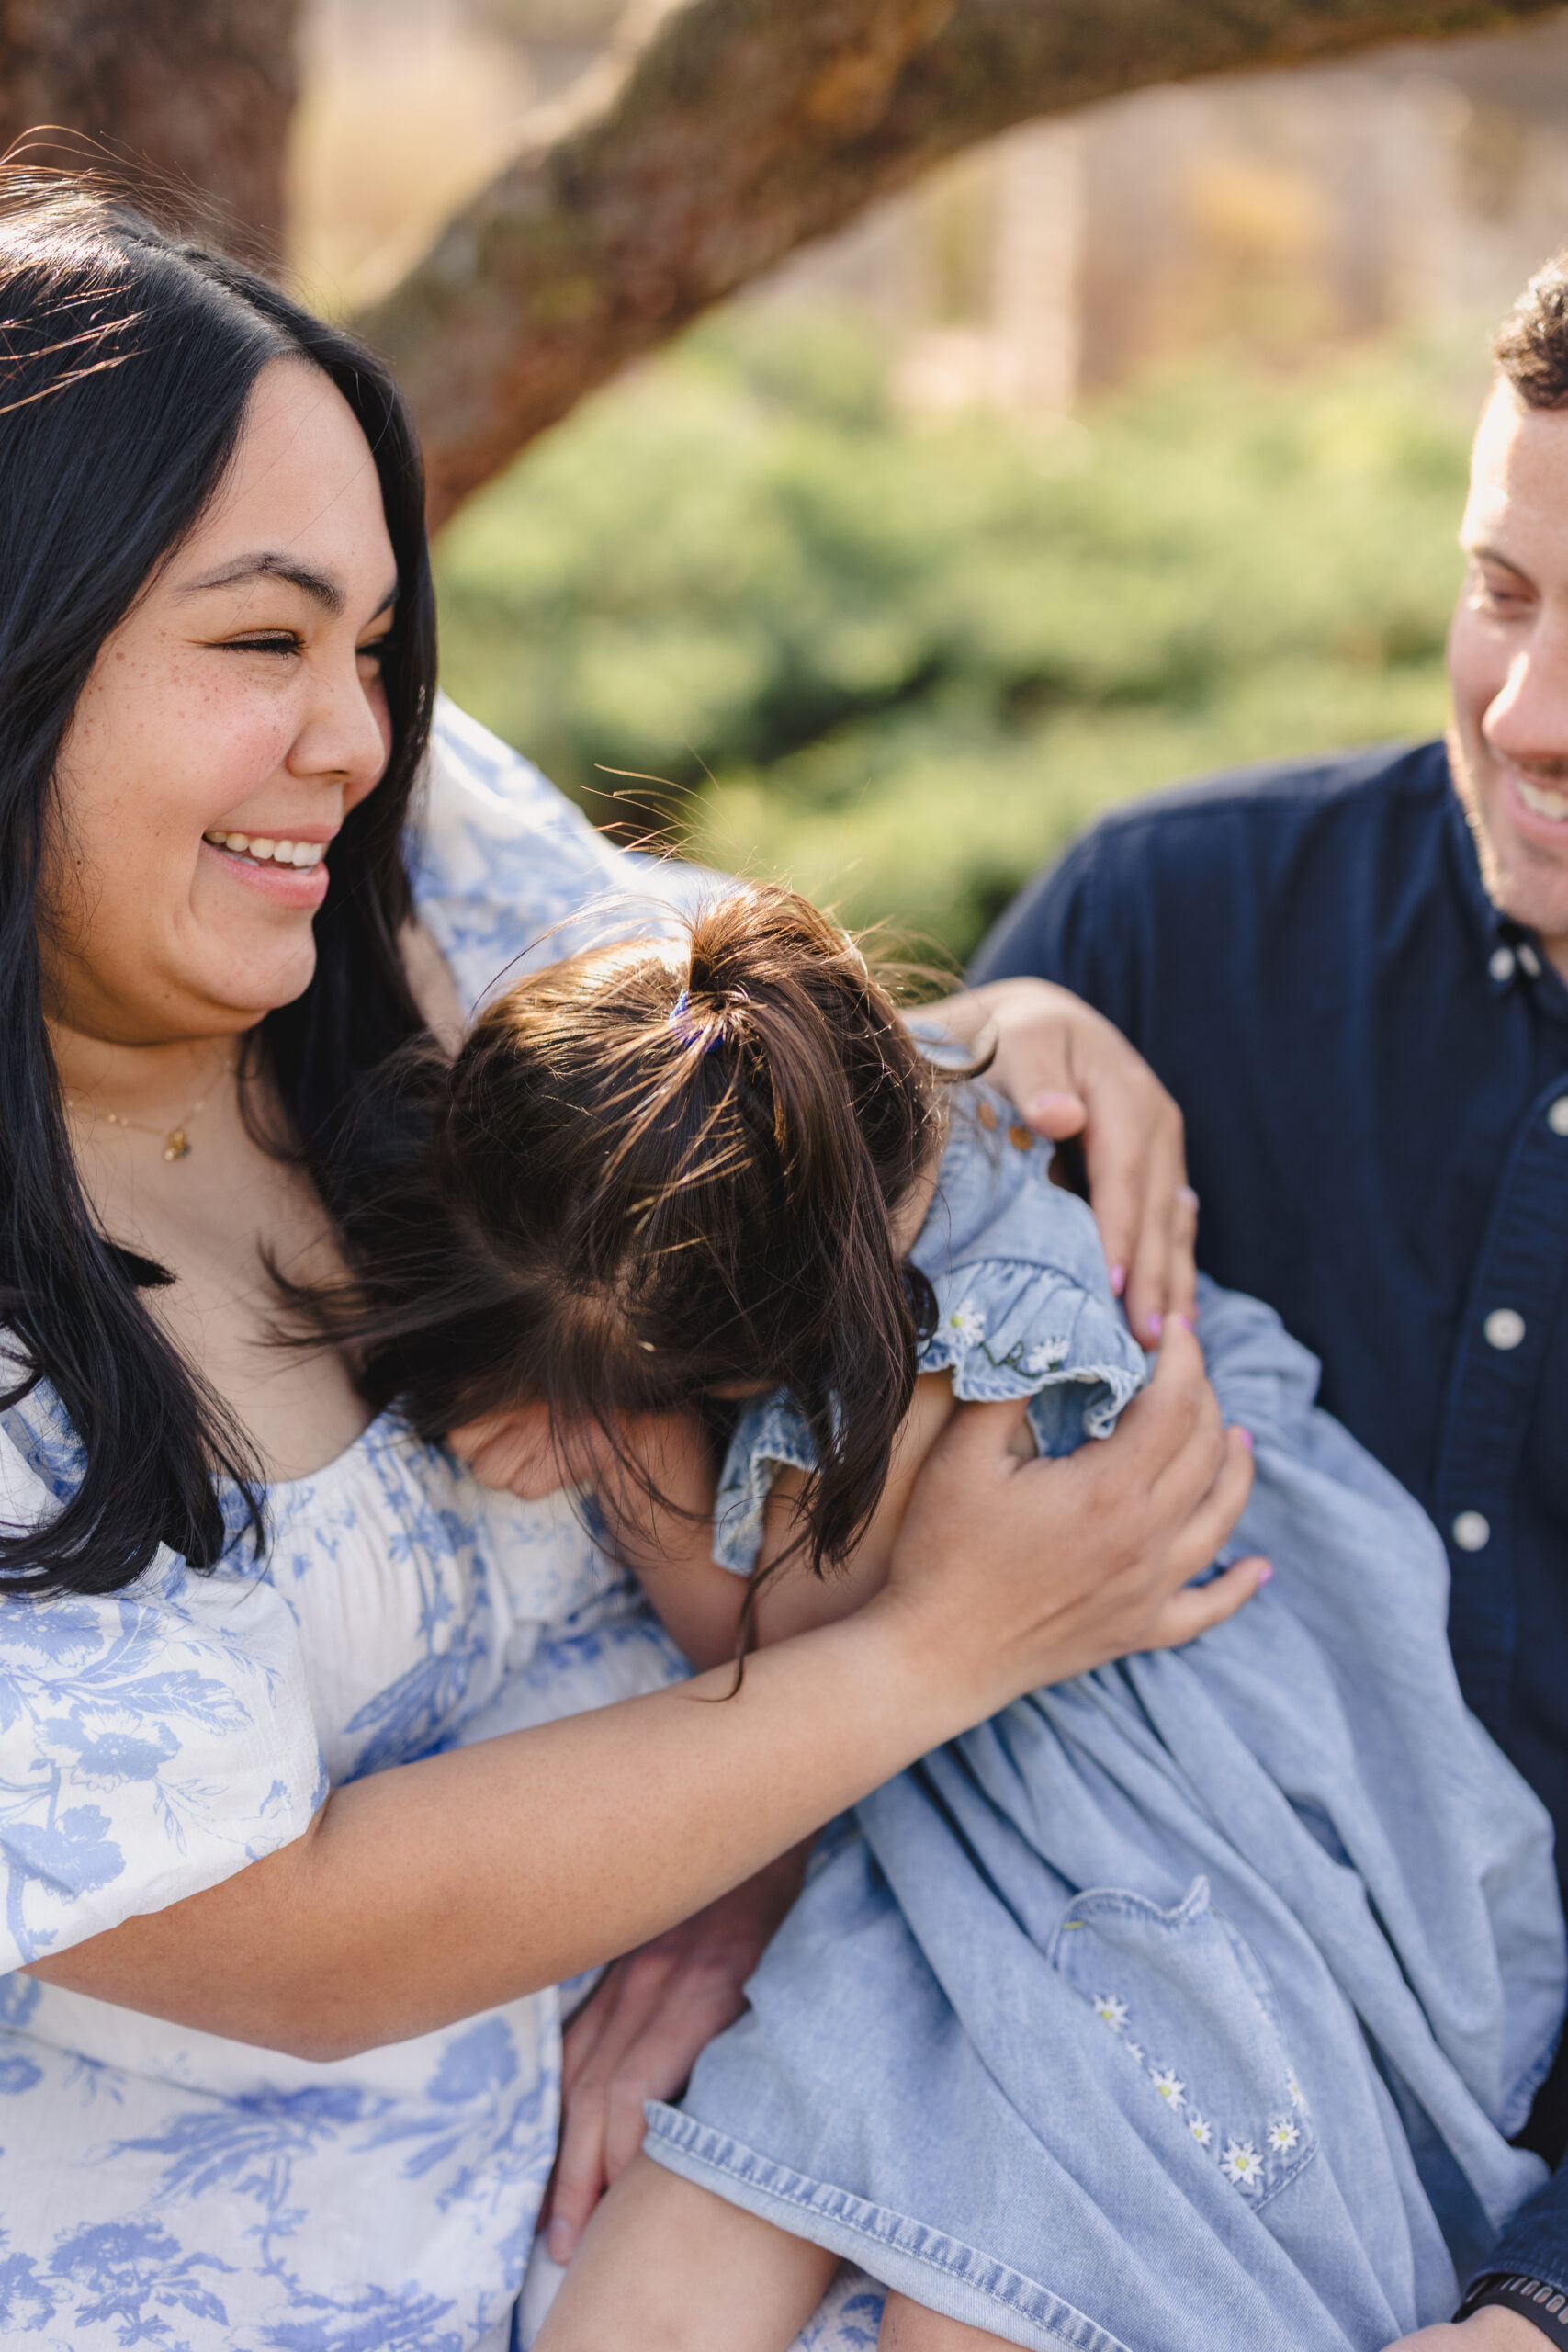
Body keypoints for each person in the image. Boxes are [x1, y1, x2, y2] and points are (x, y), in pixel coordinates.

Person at [0, 182, 1260, 2352]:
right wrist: (905, 1667)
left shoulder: (390, 884)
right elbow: (277, 1931)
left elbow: (738, 1054)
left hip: (786, 2131)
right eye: (260, 640)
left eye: (377, 646)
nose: (356, 733)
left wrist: (979, 1047)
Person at [332, 881, 1561, 2352]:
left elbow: (779, 1664)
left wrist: (625, 1457)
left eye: (607, 1397)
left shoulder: (940, 1377)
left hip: (1131, 1862)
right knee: (664, 2282)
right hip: (963, 1837)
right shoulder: (810, 1139)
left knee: (979, 2291)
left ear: (727, 1367)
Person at [966, 256, 1568, 2349]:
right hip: (1073, 2048)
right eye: (1498, 591)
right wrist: (963, 1049)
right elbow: (805, 1427)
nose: (1524, 718)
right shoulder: (1165, 917)